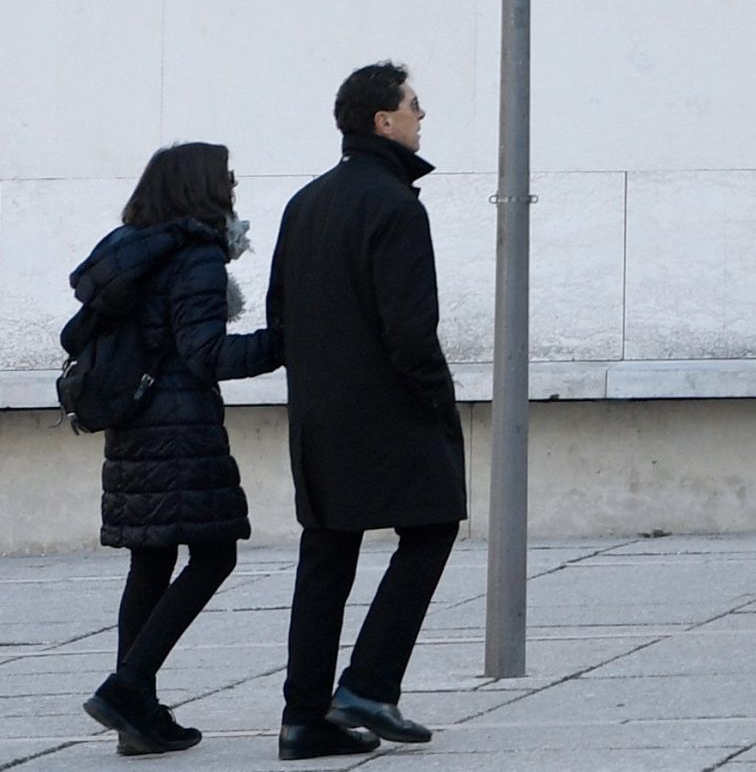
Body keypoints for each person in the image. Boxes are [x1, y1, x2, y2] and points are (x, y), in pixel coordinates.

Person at [270, 63, 464, 757]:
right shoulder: (395, 205)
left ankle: (302, 719)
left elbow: (281, 319)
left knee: (326, 554)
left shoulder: (306, 203)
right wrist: (438, 405)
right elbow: (410, 329)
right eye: (413, 106)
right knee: (434, 525)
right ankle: (370, 684)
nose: (421, 117)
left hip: (319, 416)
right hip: (389, 411)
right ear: (383, 121)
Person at [71, 142, 280, 756]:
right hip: (181, 428)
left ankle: (138, 718)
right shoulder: (196, 258)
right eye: (227, 178)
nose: (234, 186)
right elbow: (207, 354)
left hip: (134, 425)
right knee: (215, 556)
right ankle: (129, 687)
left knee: (152, 558)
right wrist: (288, 341)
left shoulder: (133, 251)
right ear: (200, 188)